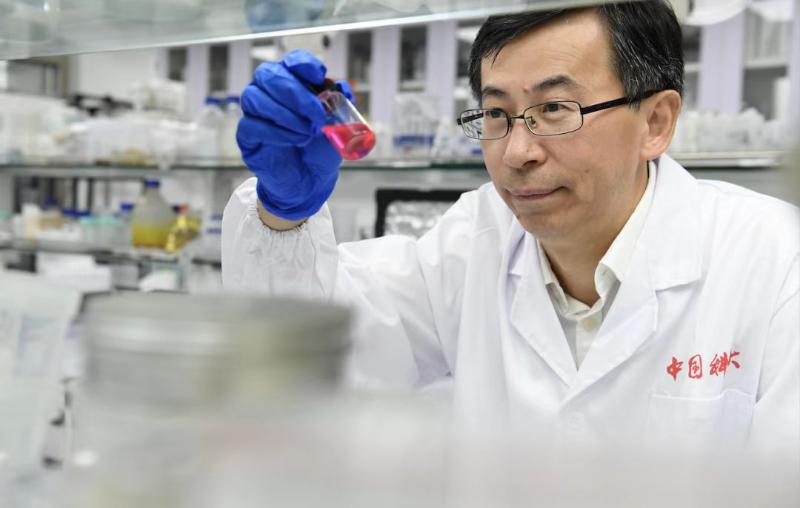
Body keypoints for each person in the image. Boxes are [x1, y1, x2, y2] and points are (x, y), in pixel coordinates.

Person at [222, 0, 799, 454]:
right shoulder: (475, 239)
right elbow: (312, 351)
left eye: (555, 109)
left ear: (655, 122)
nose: (517, 152)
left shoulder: (775, 260)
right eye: (497, 114)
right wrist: (284, 211)